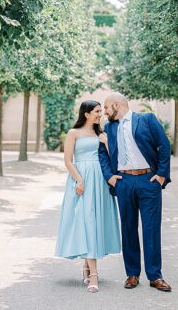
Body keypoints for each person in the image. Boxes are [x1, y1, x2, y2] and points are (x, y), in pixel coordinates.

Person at [98, 93, 172, 292]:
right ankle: (132, 274)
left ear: (116, 104)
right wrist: (109, 177)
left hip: (149, 181)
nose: (104, 112)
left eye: (106, 107)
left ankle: (155, 276)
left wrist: (161, 175)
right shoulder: (109, 128)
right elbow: (102, 154)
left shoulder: (146, 119)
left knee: (151, 228)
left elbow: (164, 145)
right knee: (128, 228)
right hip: (124, 182)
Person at [55, 100, 122, 292]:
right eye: (97, 111)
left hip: (99, 180)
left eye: (101, 111)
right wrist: (79, 180)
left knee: (93, 222)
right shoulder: (73, 133)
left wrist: (108, 144)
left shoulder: (101, 134)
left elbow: (113, 158)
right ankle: (94, 275)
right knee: (86, 222)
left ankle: (87, 266)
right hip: (81, 180)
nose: (100, 114)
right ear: (86, 114)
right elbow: (68, 161)